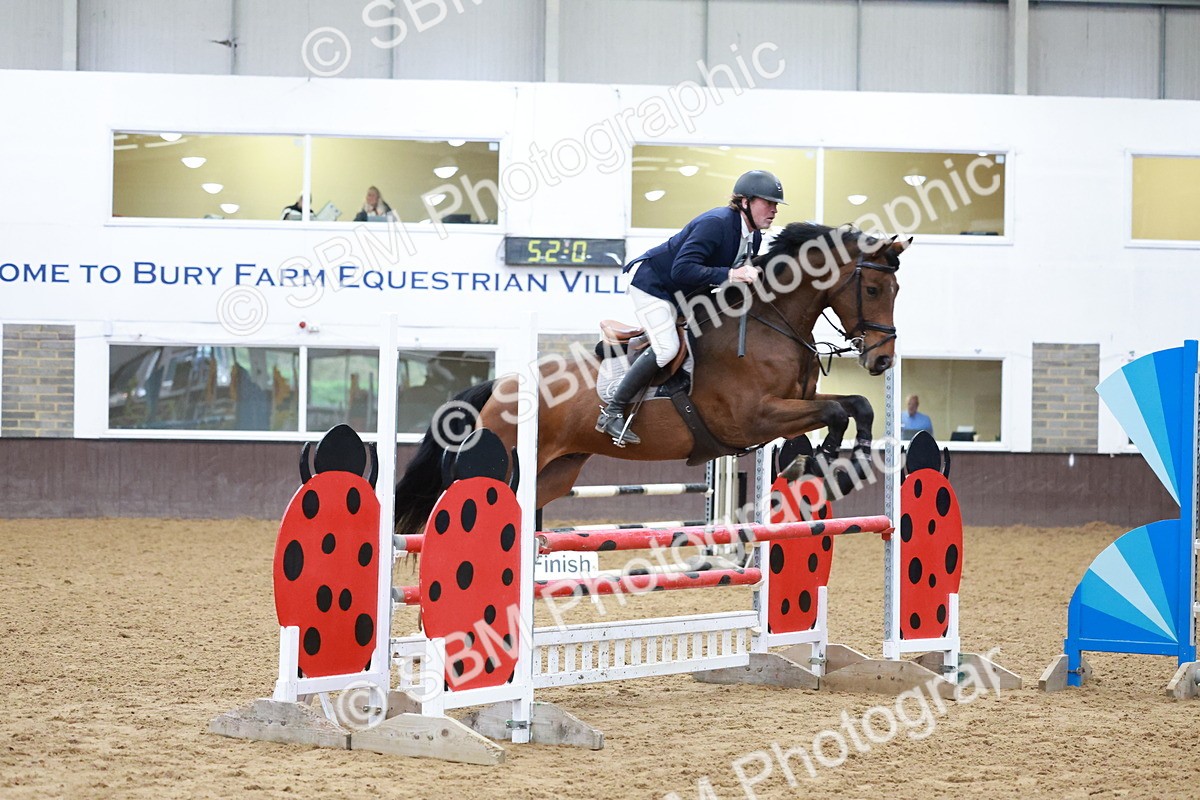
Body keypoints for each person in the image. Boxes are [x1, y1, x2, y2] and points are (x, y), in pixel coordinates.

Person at [596, 170, 784, 445]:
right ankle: (612, 411)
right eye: (768, 203)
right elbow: (682, 269)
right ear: (745, 202)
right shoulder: (716, 223)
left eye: (776, 205)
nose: (774, 210)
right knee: (667, 348)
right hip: (654, 286)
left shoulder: (752, 237)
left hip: (686, 293)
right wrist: (732, 274)